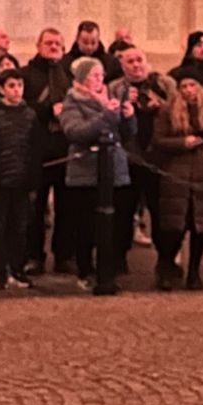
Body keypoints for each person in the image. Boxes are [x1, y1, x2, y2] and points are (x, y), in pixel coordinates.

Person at [59, 56, 136, 290]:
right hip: (86, 172)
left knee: (115, 223)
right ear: (83, 78)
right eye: (94, 75)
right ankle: (86, 270)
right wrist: (106, 116)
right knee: (86, 226)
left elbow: (126, 134)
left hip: (114, 169)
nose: (99, 79)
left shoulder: (110, 98)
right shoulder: (73, 101)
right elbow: (75, 131)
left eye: (101, 74)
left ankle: (108, 269)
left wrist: (129, 117)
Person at [151, 75, 203, 291]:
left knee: (200, 228)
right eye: (183, 86)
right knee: (174, 228)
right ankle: (167, 267)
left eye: (192, 85)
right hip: (177, 173)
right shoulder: (168, 111)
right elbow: (158, 140)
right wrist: (182, 143)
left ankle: (194, 272)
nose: (188, 90)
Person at [108, 47, 175, 263]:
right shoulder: (115, 87)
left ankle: (165, 261)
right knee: (123, 213)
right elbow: (109, 121)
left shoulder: (165, 84)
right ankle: (118, 260)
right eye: (130, 61)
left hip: (158, 158)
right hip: (128, 159)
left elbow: (178, 115)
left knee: (161, 213)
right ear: (122, 66)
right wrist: (124, 102)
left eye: (139, 60)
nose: (136, 65)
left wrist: (160, 105)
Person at [0, 68, 42, 289]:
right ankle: (0, 272)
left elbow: (34, 151)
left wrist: (33, 180)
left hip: (22, 182)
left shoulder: (29, 115)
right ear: (1, 89)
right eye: (11, 86)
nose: (16, 90)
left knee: (20, 229)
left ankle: (18, 269)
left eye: (19, 86)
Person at [22, 27, 74, 274]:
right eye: (49, 43)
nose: (53, 47)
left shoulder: (69, 74)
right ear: (38, 45)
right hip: (38, 149)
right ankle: (34, 256)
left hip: (65, 149)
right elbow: (22, 106)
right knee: (35, 208)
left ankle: (64, 255)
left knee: (67, 207)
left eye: (57, 44)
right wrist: (47, 110)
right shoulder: (27, 75)